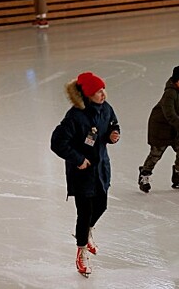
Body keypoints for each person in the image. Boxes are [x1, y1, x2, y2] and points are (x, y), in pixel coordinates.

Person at [51, 72, 120, 277]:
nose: (103, 94)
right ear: (88, 94)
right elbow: (57, 142)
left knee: (102, 206)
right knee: (84, 213)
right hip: (82, 174)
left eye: (103, 90)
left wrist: (113, 134)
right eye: (98, 91)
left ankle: (87, 231)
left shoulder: (106, 109)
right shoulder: (75, 116)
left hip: (101, 170)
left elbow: (112, 124)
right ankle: (81, 252)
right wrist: (78, 159)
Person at [138, 66, 179, 193]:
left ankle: (178, 174)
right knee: (156, 154)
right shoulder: (169, 93)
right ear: (175, 81)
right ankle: (144, 175)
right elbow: (170, 115)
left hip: (176, 126)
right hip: (160, 127)